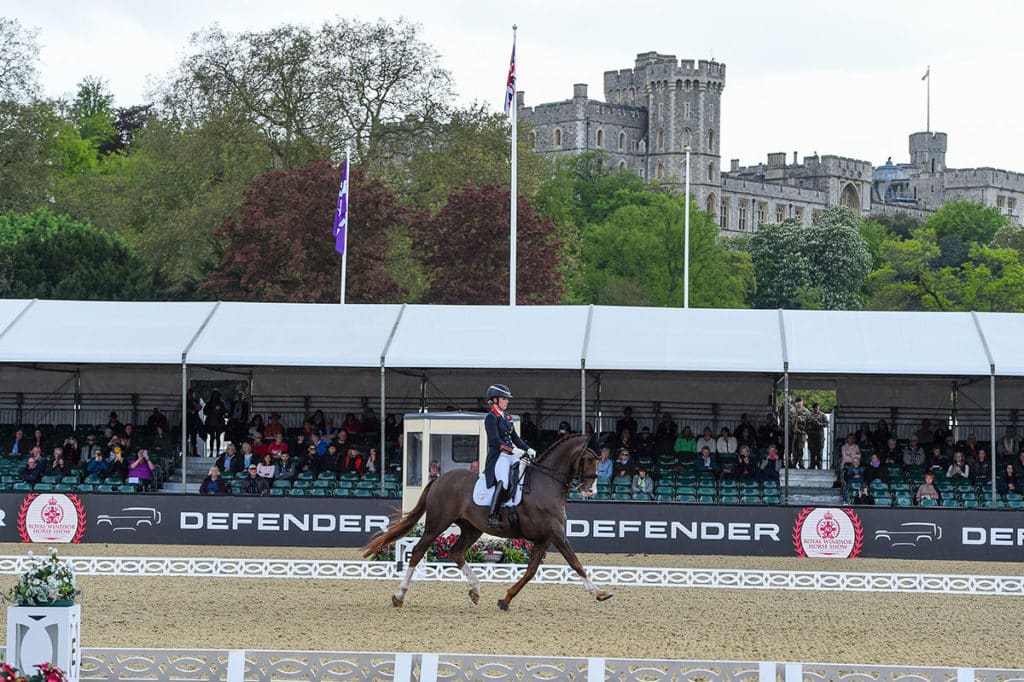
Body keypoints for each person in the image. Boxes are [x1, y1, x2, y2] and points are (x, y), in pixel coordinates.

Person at [483, 384, 534, 529]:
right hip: (499, 456)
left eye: (507, 399)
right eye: (504, 399)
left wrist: (527, 448)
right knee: (504, 481)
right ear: (495, 400)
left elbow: (515, 437)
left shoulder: (507, 417)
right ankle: (493, 516)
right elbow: (494, 441)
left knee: (526, 472)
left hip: (511, 454)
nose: (507, 401)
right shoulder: (491, 417)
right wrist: (513, 450)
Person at [203, 389, 227, 456]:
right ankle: (211, 452)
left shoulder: (221, 403)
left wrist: (219, 411)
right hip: (211, 422)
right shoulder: (209, 403)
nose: (215, 396)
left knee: (217, 437)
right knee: (212, 437)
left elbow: (224, 411)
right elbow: (205, 411)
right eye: (214, 395)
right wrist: (212, 411)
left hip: (218, 422)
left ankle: (217, 452)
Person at [788, 396, 810, 468]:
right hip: (794, 433)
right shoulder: (792, 411)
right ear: (795, 403)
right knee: (794, 449)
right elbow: (789, 422)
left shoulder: (806, 411)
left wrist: (802, 421)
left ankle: (801, 464)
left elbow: (809, 422)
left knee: (800, 449)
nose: (798, 404)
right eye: (797, 402)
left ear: (802, 402)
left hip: (802, 433)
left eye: (800, 402)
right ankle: (794, 463)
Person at [806, 403, 828, 469]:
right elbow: (805, 425)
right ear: (813, 408)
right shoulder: (809, 415)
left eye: (817, 408)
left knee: (819, 453)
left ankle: (819, 467)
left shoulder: (822, 415)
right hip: (811, 436)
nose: (816, 409)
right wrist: (808, 432)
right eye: (815, 408)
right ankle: (812, 466)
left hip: (819, 436)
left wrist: (820, 424)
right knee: (812, 452)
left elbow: (826, 424)